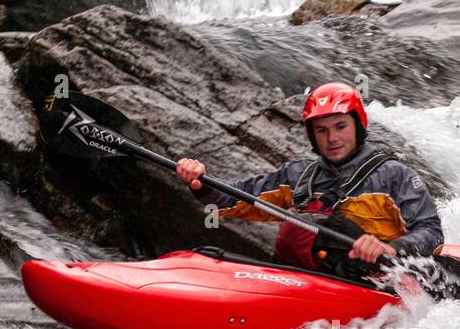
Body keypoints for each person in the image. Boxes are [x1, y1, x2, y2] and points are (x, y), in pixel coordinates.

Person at [175, 81, 443, 275]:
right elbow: (233, 201)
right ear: (312, 135)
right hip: (307, 281)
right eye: (322, 131)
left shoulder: (394, 175)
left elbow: (432, 233)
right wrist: (200, 182)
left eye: (340, 127)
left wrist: (391, 248)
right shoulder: (297, 175)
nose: (332, 138)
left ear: (358, 126)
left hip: (376, 285)